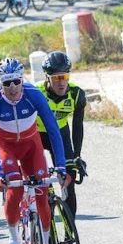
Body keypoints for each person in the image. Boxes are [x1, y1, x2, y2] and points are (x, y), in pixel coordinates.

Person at [0, 58, 67, 244]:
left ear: (22, 80)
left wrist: (61, 166)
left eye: (16, 82)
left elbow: (53, 130)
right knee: (15, 189)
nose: (12, 88)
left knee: (42, 193)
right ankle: (13, 239)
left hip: (31, 146)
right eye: (7, 83)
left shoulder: (33, 94)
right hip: (6, 146)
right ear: (0, 84)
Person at [35, 51, 87, 182]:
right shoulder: (36, 93)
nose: (62, 82)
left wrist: (77, 155)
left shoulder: (77, 95)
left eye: (65, 76)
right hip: (36, 135)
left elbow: (77, 126)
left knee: (69, 177)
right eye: (57, 78)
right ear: (47, 77)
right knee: (38, 178)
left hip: (61, 134)